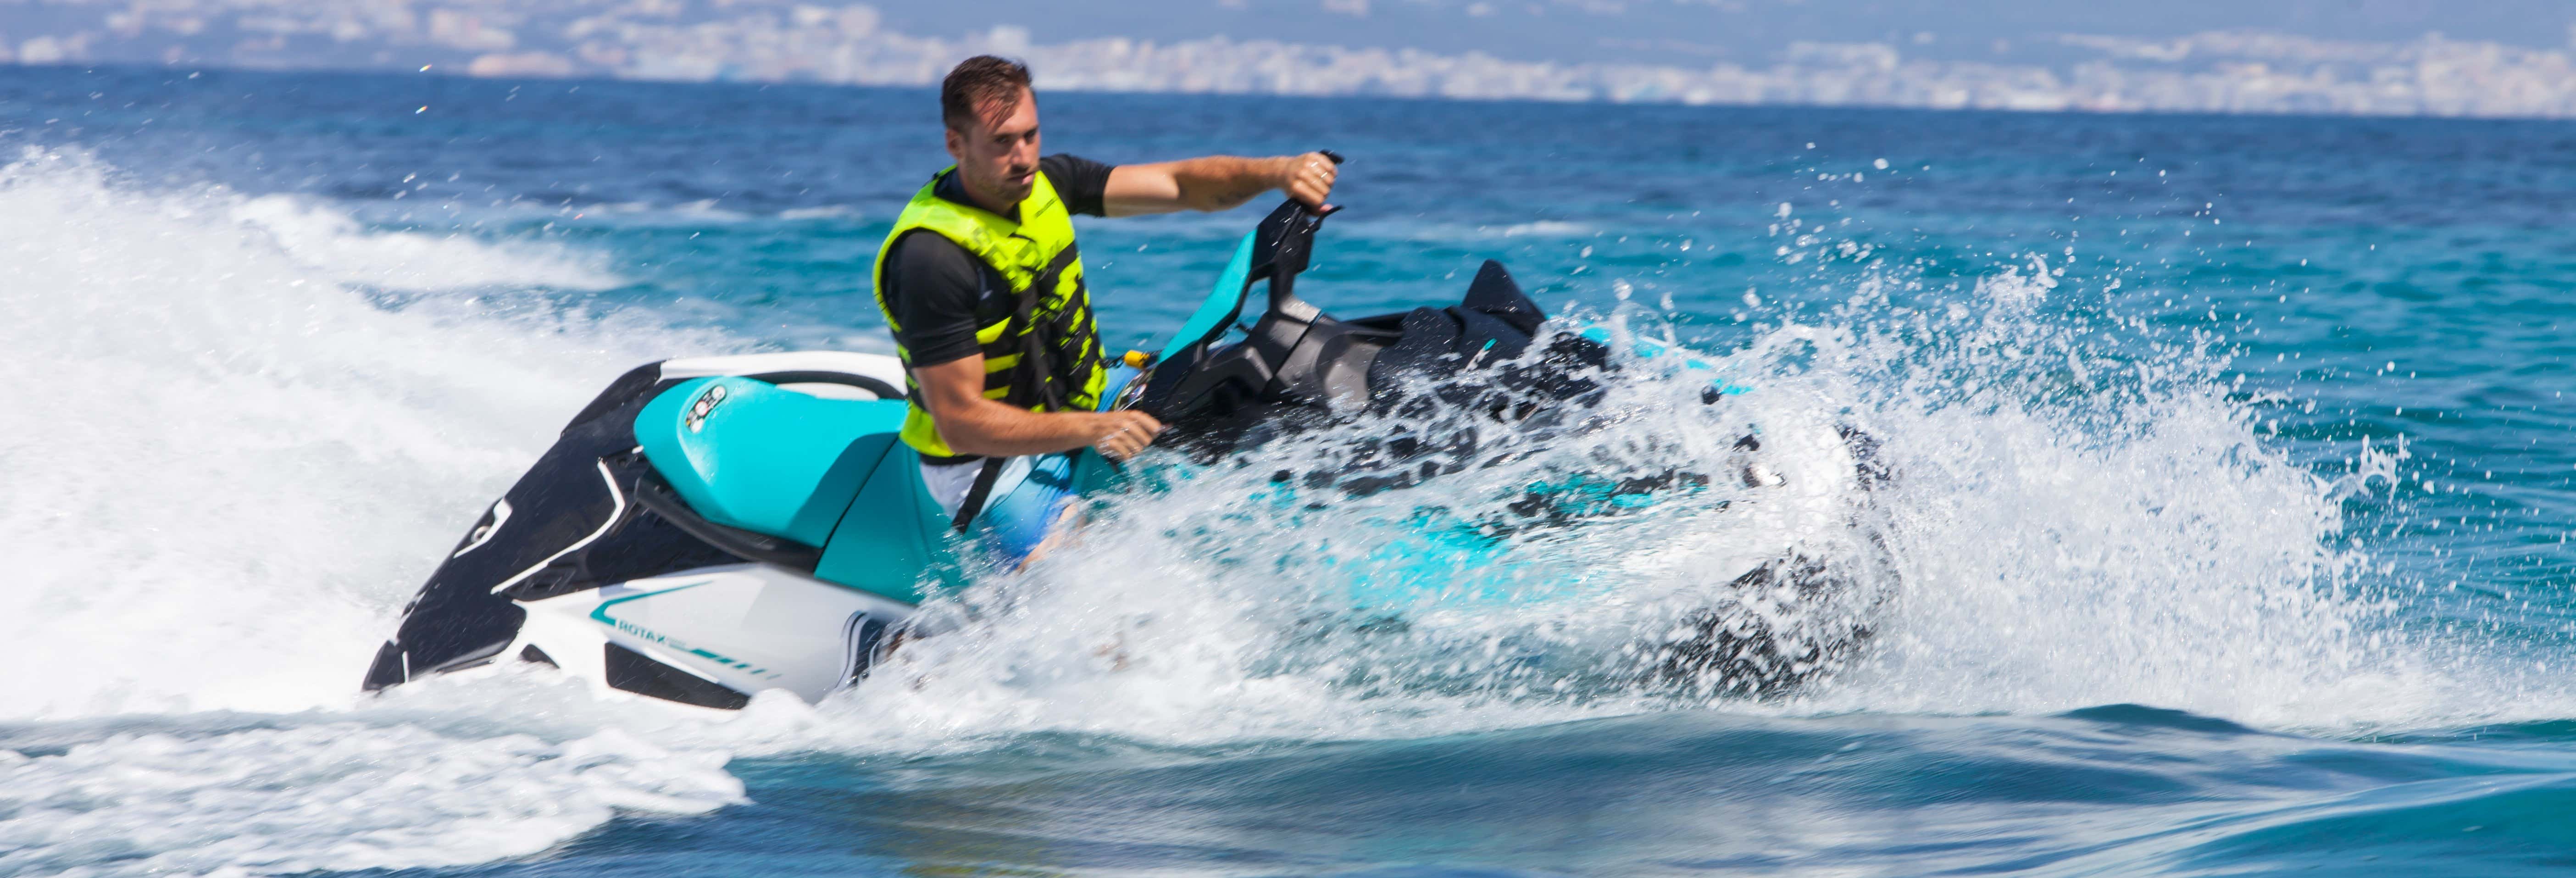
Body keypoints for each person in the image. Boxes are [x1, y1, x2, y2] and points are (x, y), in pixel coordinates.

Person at [873, 55, 1338, 522]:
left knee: (1241, 401)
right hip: (988, 465)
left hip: (1086, 403)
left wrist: (1277, 172)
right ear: (956, 143)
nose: (1023, 158)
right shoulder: (931, 258)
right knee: (1087, 577)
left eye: (1030, 135)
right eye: (1001, 143)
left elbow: (1180, 186)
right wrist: (1095, 428)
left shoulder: (1047, 182)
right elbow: (961, 425)